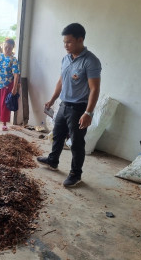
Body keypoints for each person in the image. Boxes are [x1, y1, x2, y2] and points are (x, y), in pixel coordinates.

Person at [36, 23, 101, 187]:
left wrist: (89, 113)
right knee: (57, 135)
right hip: (64, 105)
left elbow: (95, 89)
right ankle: (53, 161)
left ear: (80, 39)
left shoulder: (90, 61)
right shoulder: (66, 58)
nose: (65, 45)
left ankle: (75, 174)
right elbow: (61, 81)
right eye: (64, 42)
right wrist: (52, 100)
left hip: (79, 109)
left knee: (77, 143)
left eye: (69, 42)